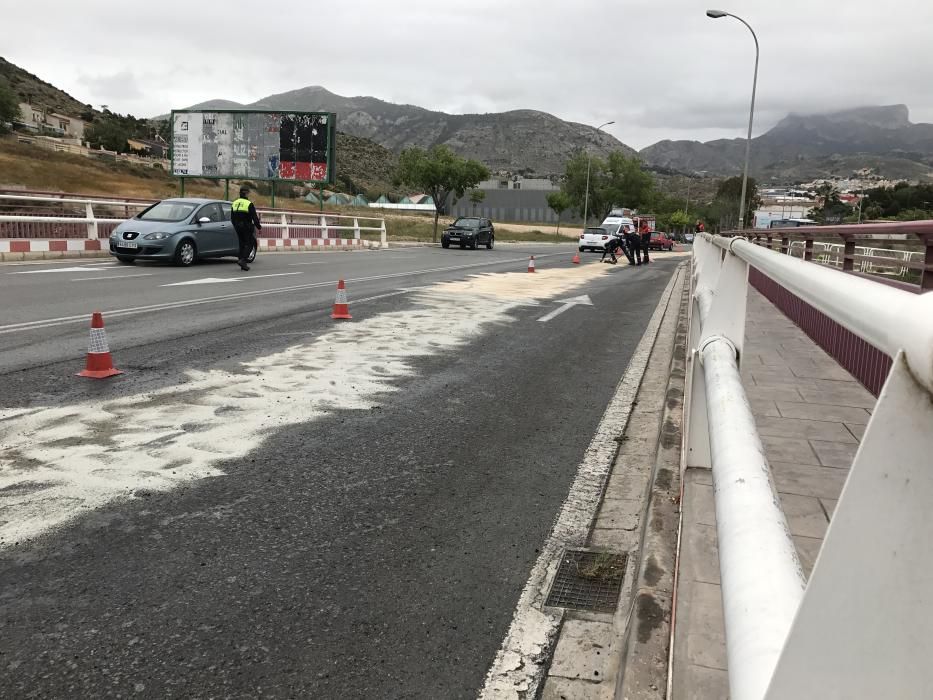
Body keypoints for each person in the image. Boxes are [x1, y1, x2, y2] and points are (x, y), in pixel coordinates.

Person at [231, 187, 262, 271]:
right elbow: (255, 218)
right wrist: (259, 227)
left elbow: (232, 218)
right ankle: (243, 260)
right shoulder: (249, 204)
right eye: (248, 193)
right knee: (250, 243)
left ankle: (242, 264)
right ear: (246, 194)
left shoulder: (234, 203)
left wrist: (235, 225)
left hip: (237, 226)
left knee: (241, 244)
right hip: (246, 227)